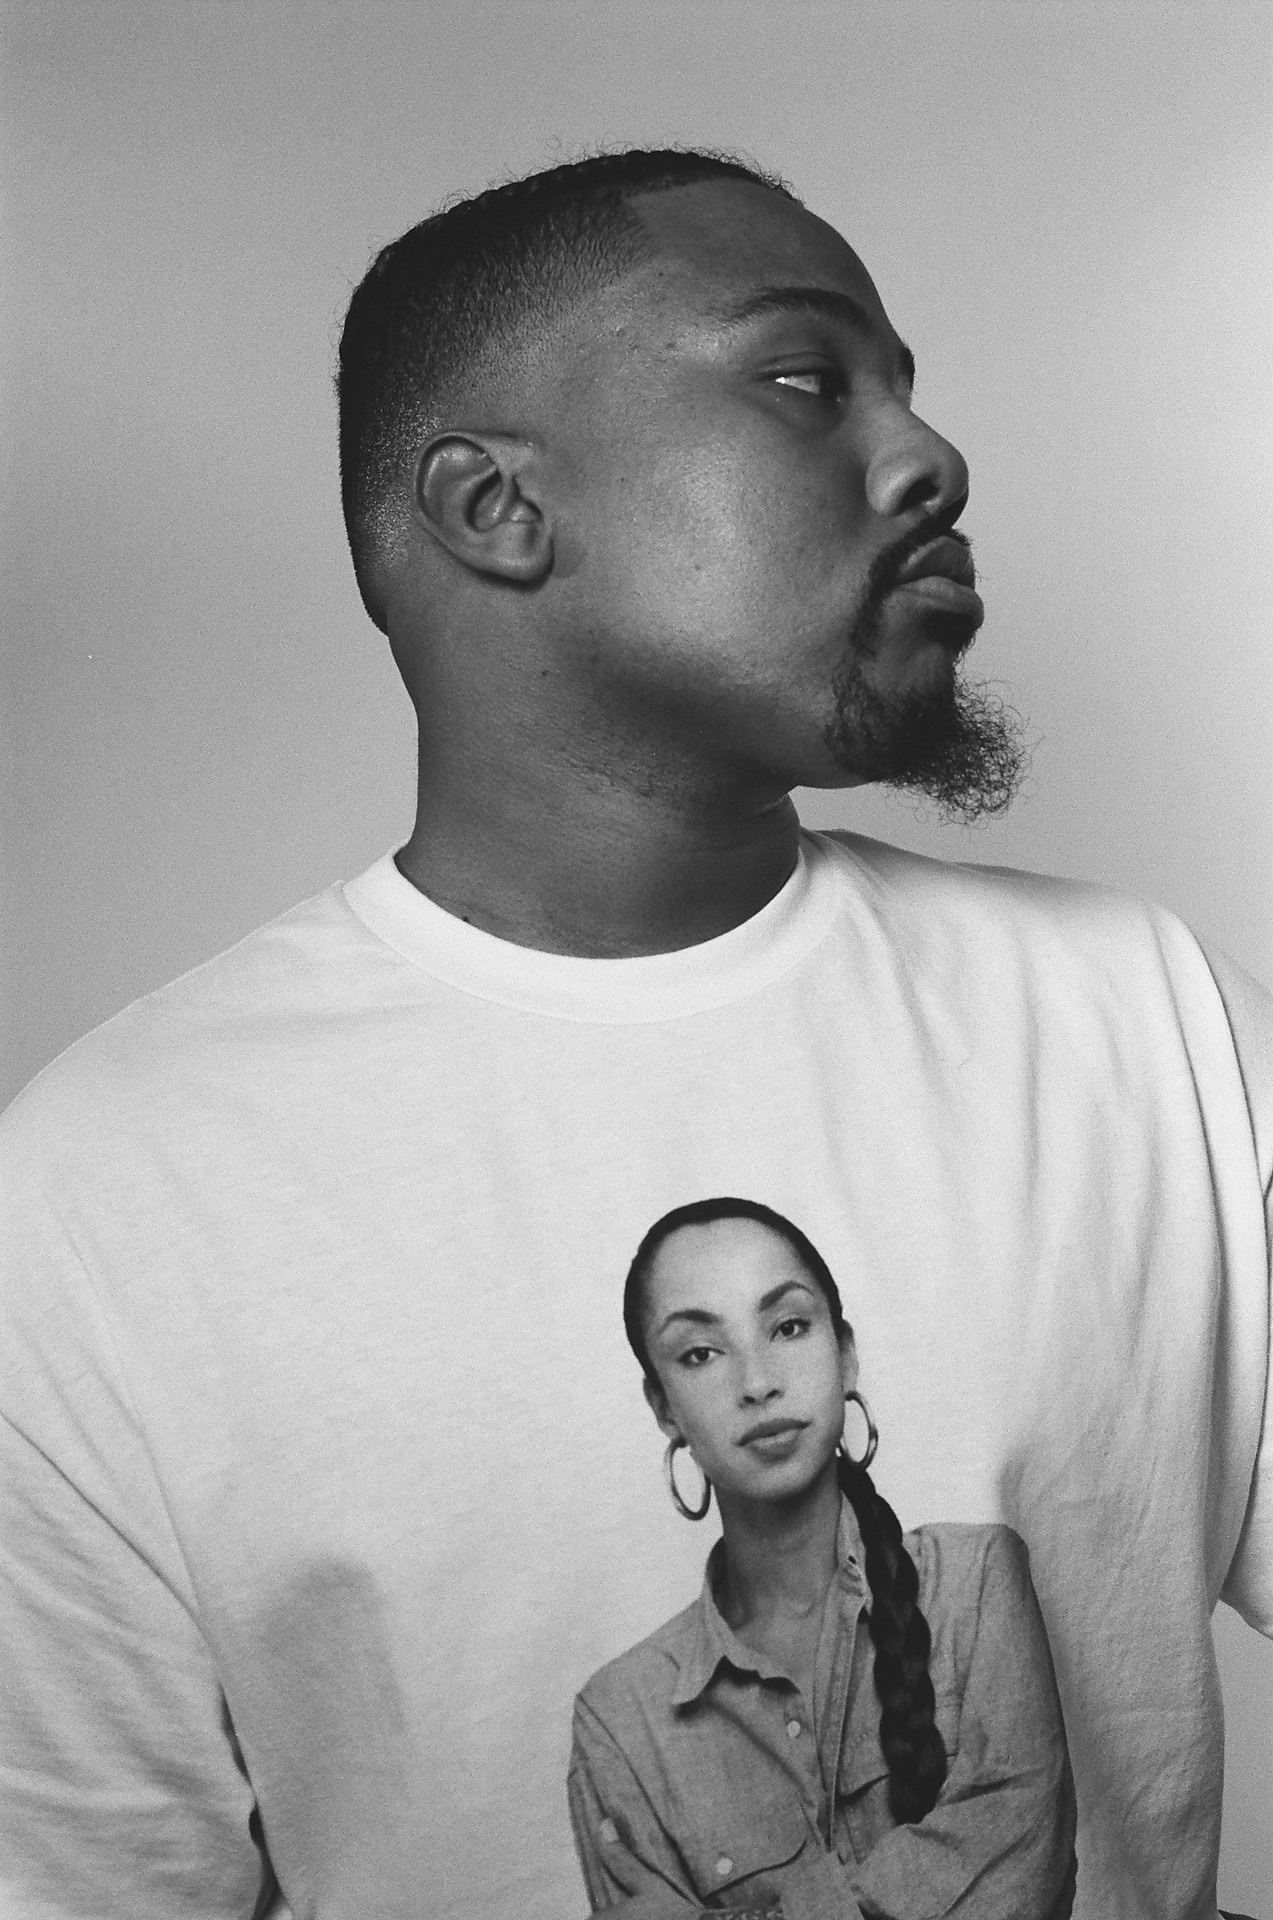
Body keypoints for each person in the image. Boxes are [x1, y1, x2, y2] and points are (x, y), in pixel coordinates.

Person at [1, 148, 1269, 1920]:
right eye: (805, 380)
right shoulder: (99, 1192)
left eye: (904, 387)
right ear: (496, 506)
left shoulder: (1143, 1017)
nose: (928, 457)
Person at [569, 1198, 1077, 1918]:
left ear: (845, 1355)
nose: (757, 1382)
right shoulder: (621, 1722)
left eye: (788, 1327)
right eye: (701, 1353)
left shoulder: (980, 1585)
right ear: (663, 1406)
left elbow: (1021, 1878)